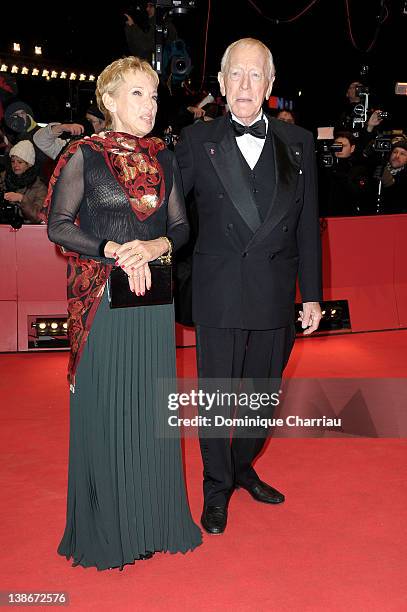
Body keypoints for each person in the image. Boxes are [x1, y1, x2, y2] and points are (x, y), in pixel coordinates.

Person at [43, 56, 202, 570]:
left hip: (153, 302)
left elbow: (180, 229)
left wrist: (152, 245)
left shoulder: (165, 159)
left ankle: (153, 519)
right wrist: (116, 249)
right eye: (137, 94)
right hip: (103, 302)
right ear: (109, 100)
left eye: (153, 95)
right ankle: (109, 527)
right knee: (108, 411)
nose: (149, 104)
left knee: (150, 413)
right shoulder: (81, 157)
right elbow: (59, 226)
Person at [175, 38, 322, 535]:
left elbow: (307, 225)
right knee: (217, 399)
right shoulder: (196, 140)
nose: (244, 84)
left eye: (254, 75)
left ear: (270, 85)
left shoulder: (298, 142)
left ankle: (241, 468)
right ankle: (216, 489)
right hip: (219, 292)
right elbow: (170, 211)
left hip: (275, 292)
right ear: (220, 83)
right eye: (235, 74)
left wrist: (314, 293)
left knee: (262, 399)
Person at [319, 131, 370, 216]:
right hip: (326, 216)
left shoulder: (359, 168)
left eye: (344, 146)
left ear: (352, 148)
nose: (340, 148)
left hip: (350, 217)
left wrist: (340, 174)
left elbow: (359, 194)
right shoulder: (325, 166)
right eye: (337, 145)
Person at [0, 140, 47, 223]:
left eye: (20, 162)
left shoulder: (39, 187)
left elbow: (38, 217)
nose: (15, 165)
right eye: (13, 161)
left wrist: (22, 199)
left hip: (26, 232)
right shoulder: (2, 178)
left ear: (29, 164)